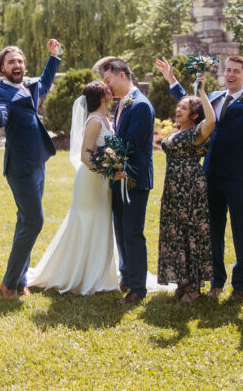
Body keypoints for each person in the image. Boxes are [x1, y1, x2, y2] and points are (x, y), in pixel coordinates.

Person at [157, 55, 243, 301]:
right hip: (209, 173)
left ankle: (241, 285)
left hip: (237, 175)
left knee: (240, 229)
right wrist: (172, 80)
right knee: (212, 230)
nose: (230, 74)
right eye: (228, 70)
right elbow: (189, 106)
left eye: (236, 72)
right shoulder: (216, 97)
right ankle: (216, 282)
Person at [26, 80, 120, 295]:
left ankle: (97, 272)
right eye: (108, 91)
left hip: (102, 181)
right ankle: (76, 274)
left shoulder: (106, 118)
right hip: (90, 180)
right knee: (84, 223)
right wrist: (109, 170)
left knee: (100, 222)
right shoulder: (94, 120)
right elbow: (85, 156)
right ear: (102, 97)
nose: (111, 92)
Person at [0, 41, 62, 298]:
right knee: (34, 220)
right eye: (11, 62)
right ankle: (8, 284)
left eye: (19, 61)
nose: (17, 65)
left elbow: (47, 80)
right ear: (1, 68)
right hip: (20, 166)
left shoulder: (27, 86)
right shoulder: (3, 92)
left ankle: (20, 281)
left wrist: (53, 57)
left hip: (38, 160)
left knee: (25, 221)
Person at [100, 57, 155, 305]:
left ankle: (137, 289)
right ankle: (127, 276)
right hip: (119, 177)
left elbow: (129, 144)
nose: (106, 86)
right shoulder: (123, 103)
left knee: (132, 233)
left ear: (122, 75)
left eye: (108, 80)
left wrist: (103, 158)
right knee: (121, 230)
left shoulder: (140, 105)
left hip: (134, 179)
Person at [157, 73, 216, 303]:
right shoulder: (179, 132)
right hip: (173, 188)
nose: (178, 109)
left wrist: (202, 92)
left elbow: (211, 121)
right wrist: (165, 192)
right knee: (176, 234)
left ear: (194, 114)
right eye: (178, 106)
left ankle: (194, 286)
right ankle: (182, 280)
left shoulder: (197, 133)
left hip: (191, 188)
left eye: (183, 107)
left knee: (191, 233)